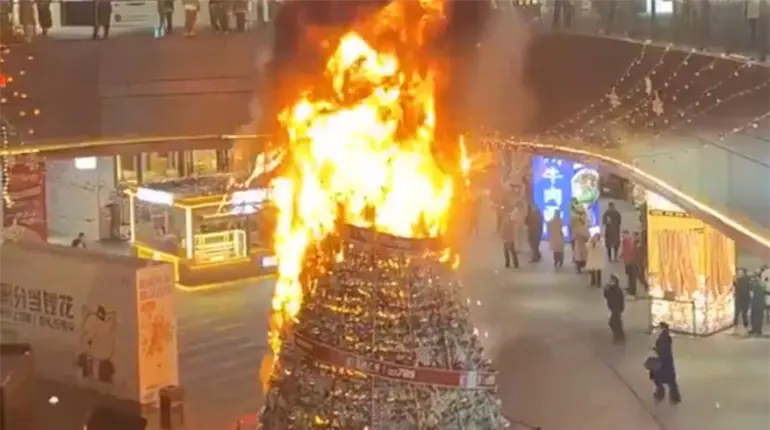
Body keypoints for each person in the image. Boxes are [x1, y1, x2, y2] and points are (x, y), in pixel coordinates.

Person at [652, 322, 681, 404]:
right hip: (667, 361)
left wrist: (657, 350)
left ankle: (661, 394)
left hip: (664, 361)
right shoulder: (666, 337)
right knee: (670, 380)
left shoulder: (663, 338)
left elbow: (663, 350)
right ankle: (674, 397)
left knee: (660, 378)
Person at [603, 275, 625, 343]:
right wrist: (605, 290)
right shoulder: (610, 289)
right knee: (617, 322)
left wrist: (620, 308)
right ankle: (619, 335)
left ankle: (619, 336)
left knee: (613, 322)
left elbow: (620, 300)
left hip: (616, 308)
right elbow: (606, 296)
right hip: (613, 308)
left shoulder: (618, 290)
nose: (611, 282)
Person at [733, 268, 752, 334]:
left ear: (743, 273)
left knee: (742, 314)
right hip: (740, 299)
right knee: (738, 314)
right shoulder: (737, 280)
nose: (739, 274)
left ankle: (744, 328)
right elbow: (736, 289)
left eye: (740, 273)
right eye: (738, 273)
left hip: (743, 299)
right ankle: (737, 328)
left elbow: (748, 290)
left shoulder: (745, 280)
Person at [620, 231, 638, 296]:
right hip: (628, 262)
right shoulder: (626, 242)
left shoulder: (629, 242)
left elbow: (630, 251)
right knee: (630, 276)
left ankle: (632, 290)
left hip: (631, 262)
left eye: (624, 235)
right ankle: (630, 288)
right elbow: (625, 251)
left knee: (632, 276)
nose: (623, 236)